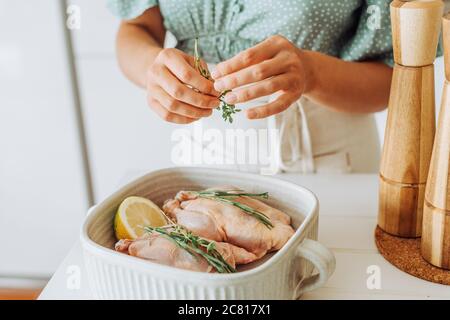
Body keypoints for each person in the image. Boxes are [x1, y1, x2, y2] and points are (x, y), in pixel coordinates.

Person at [107, 0, 396, 174]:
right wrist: (151, 69)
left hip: (329, 163)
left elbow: (392, 77)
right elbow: (137, 27)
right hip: (200, 160)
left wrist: (312, 73)